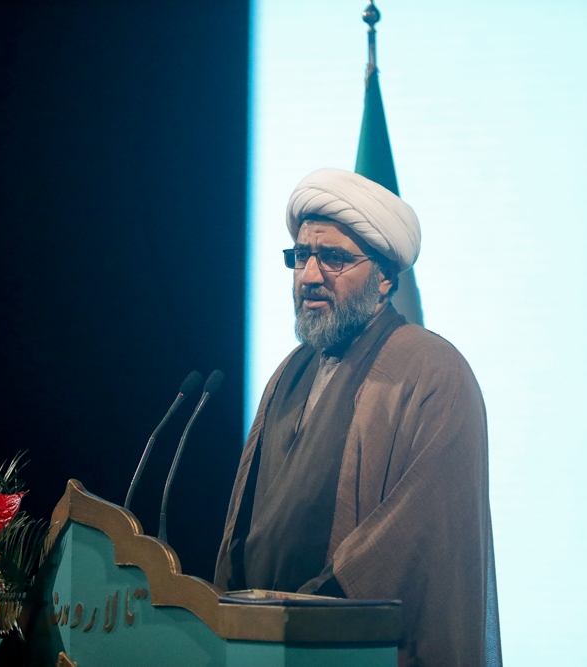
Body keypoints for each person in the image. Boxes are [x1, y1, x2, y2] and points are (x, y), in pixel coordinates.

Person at [215, 168, 502, 666]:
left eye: (334, 258)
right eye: (301, 256)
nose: (309, 276)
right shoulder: (291, 372)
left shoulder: (432, 370)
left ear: (385, 277)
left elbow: (414, 535)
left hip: (354, 647)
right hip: (258, 645)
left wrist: (309, 613)